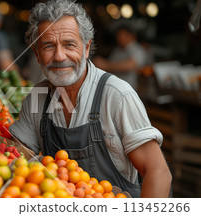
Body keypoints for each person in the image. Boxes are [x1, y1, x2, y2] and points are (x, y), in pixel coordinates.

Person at [9, 0, 171, 198]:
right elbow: (16, 155)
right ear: (36, 54)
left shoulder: (116, 95)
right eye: (49, 46)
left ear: (86, 48)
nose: (59, 56)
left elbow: (158, 172)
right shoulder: (38, 97)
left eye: (69, 44)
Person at [92, 25, 148, 89]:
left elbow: (130, 65)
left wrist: (105, 65)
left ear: (130, 36)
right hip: (114, 86)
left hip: (128, 88)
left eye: (121, 36)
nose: (119, 38)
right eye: (118, 36)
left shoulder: (136, 49)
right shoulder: (118, 49)